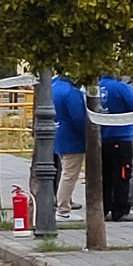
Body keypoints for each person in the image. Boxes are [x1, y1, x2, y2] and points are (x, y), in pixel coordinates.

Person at [95, 75, 133, 221]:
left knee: (105, 175)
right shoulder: (121, 87)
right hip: (121, 136)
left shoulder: (95, 87)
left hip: (101, 137)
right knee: (122, 174)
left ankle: (104, 208)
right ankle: (121, 211)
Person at [51, 75, 86, 217]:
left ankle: (65, 202)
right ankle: (63, 208)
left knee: (65, 171)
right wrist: (87, 135)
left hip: (58, 133)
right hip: (72, 137)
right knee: (69, 174)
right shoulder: (71, 92)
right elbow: (78, 118)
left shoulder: (52, 87)